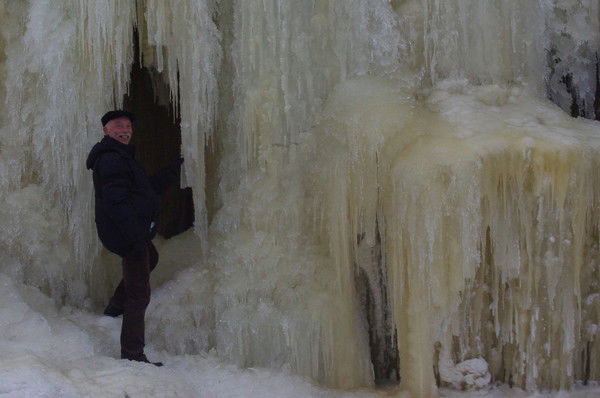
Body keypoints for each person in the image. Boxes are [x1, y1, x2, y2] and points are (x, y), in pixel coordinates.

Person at [86, 110, 182, 366]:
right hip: (128, 235)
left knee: (151, 257)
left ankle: (115, 307)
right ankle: (133, 355)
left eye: (128, 125)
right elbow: (115, 203)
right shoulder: (111, 159)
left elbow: (145, 190)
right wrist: (136, 236)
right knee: (139, 295)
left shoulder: (121, 156)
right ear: (106, 130)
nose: (125, 129)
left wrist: (173, 170)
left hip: (130, 232)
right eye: (118, 125)